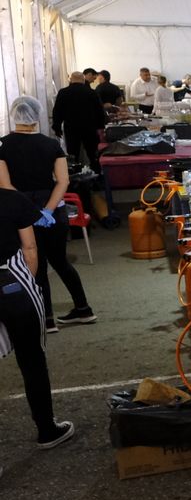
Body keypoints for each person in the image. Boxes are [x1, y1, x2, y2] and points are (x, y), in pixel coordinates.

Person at [0, 134, 75, 450]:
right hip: (12, 283)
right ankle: (47, 429)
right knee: (31, 358)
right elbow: (30, 250)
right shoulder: (13, 201)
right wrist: (28, 283)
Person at [0, 97, 94, 328]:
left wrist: (30, 212)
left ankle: (47, 319)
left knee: (36, 264)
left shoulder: (3, 145)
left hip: (21, 213)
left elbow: (5, 185)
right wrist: (47, 210)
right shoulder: (52, 144)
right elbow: (63, 181)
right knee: (61, 262)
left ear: (14, 115)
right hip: (52, 211)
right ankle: (83, 309)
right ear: (36, 116)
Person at [51, 72, 105, 171]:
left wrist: (57, 127)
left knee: (73, 152)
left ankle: (75, 174)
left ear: (71, 80)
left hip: (71, 127)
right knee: (92, 152)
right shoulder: (91, 92)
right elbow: (99, 111)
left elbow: (57, 111)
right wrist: (101, 127)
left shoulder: (63, 92)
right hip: (89, 127)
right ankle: (97, 173)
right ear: (83, 80)